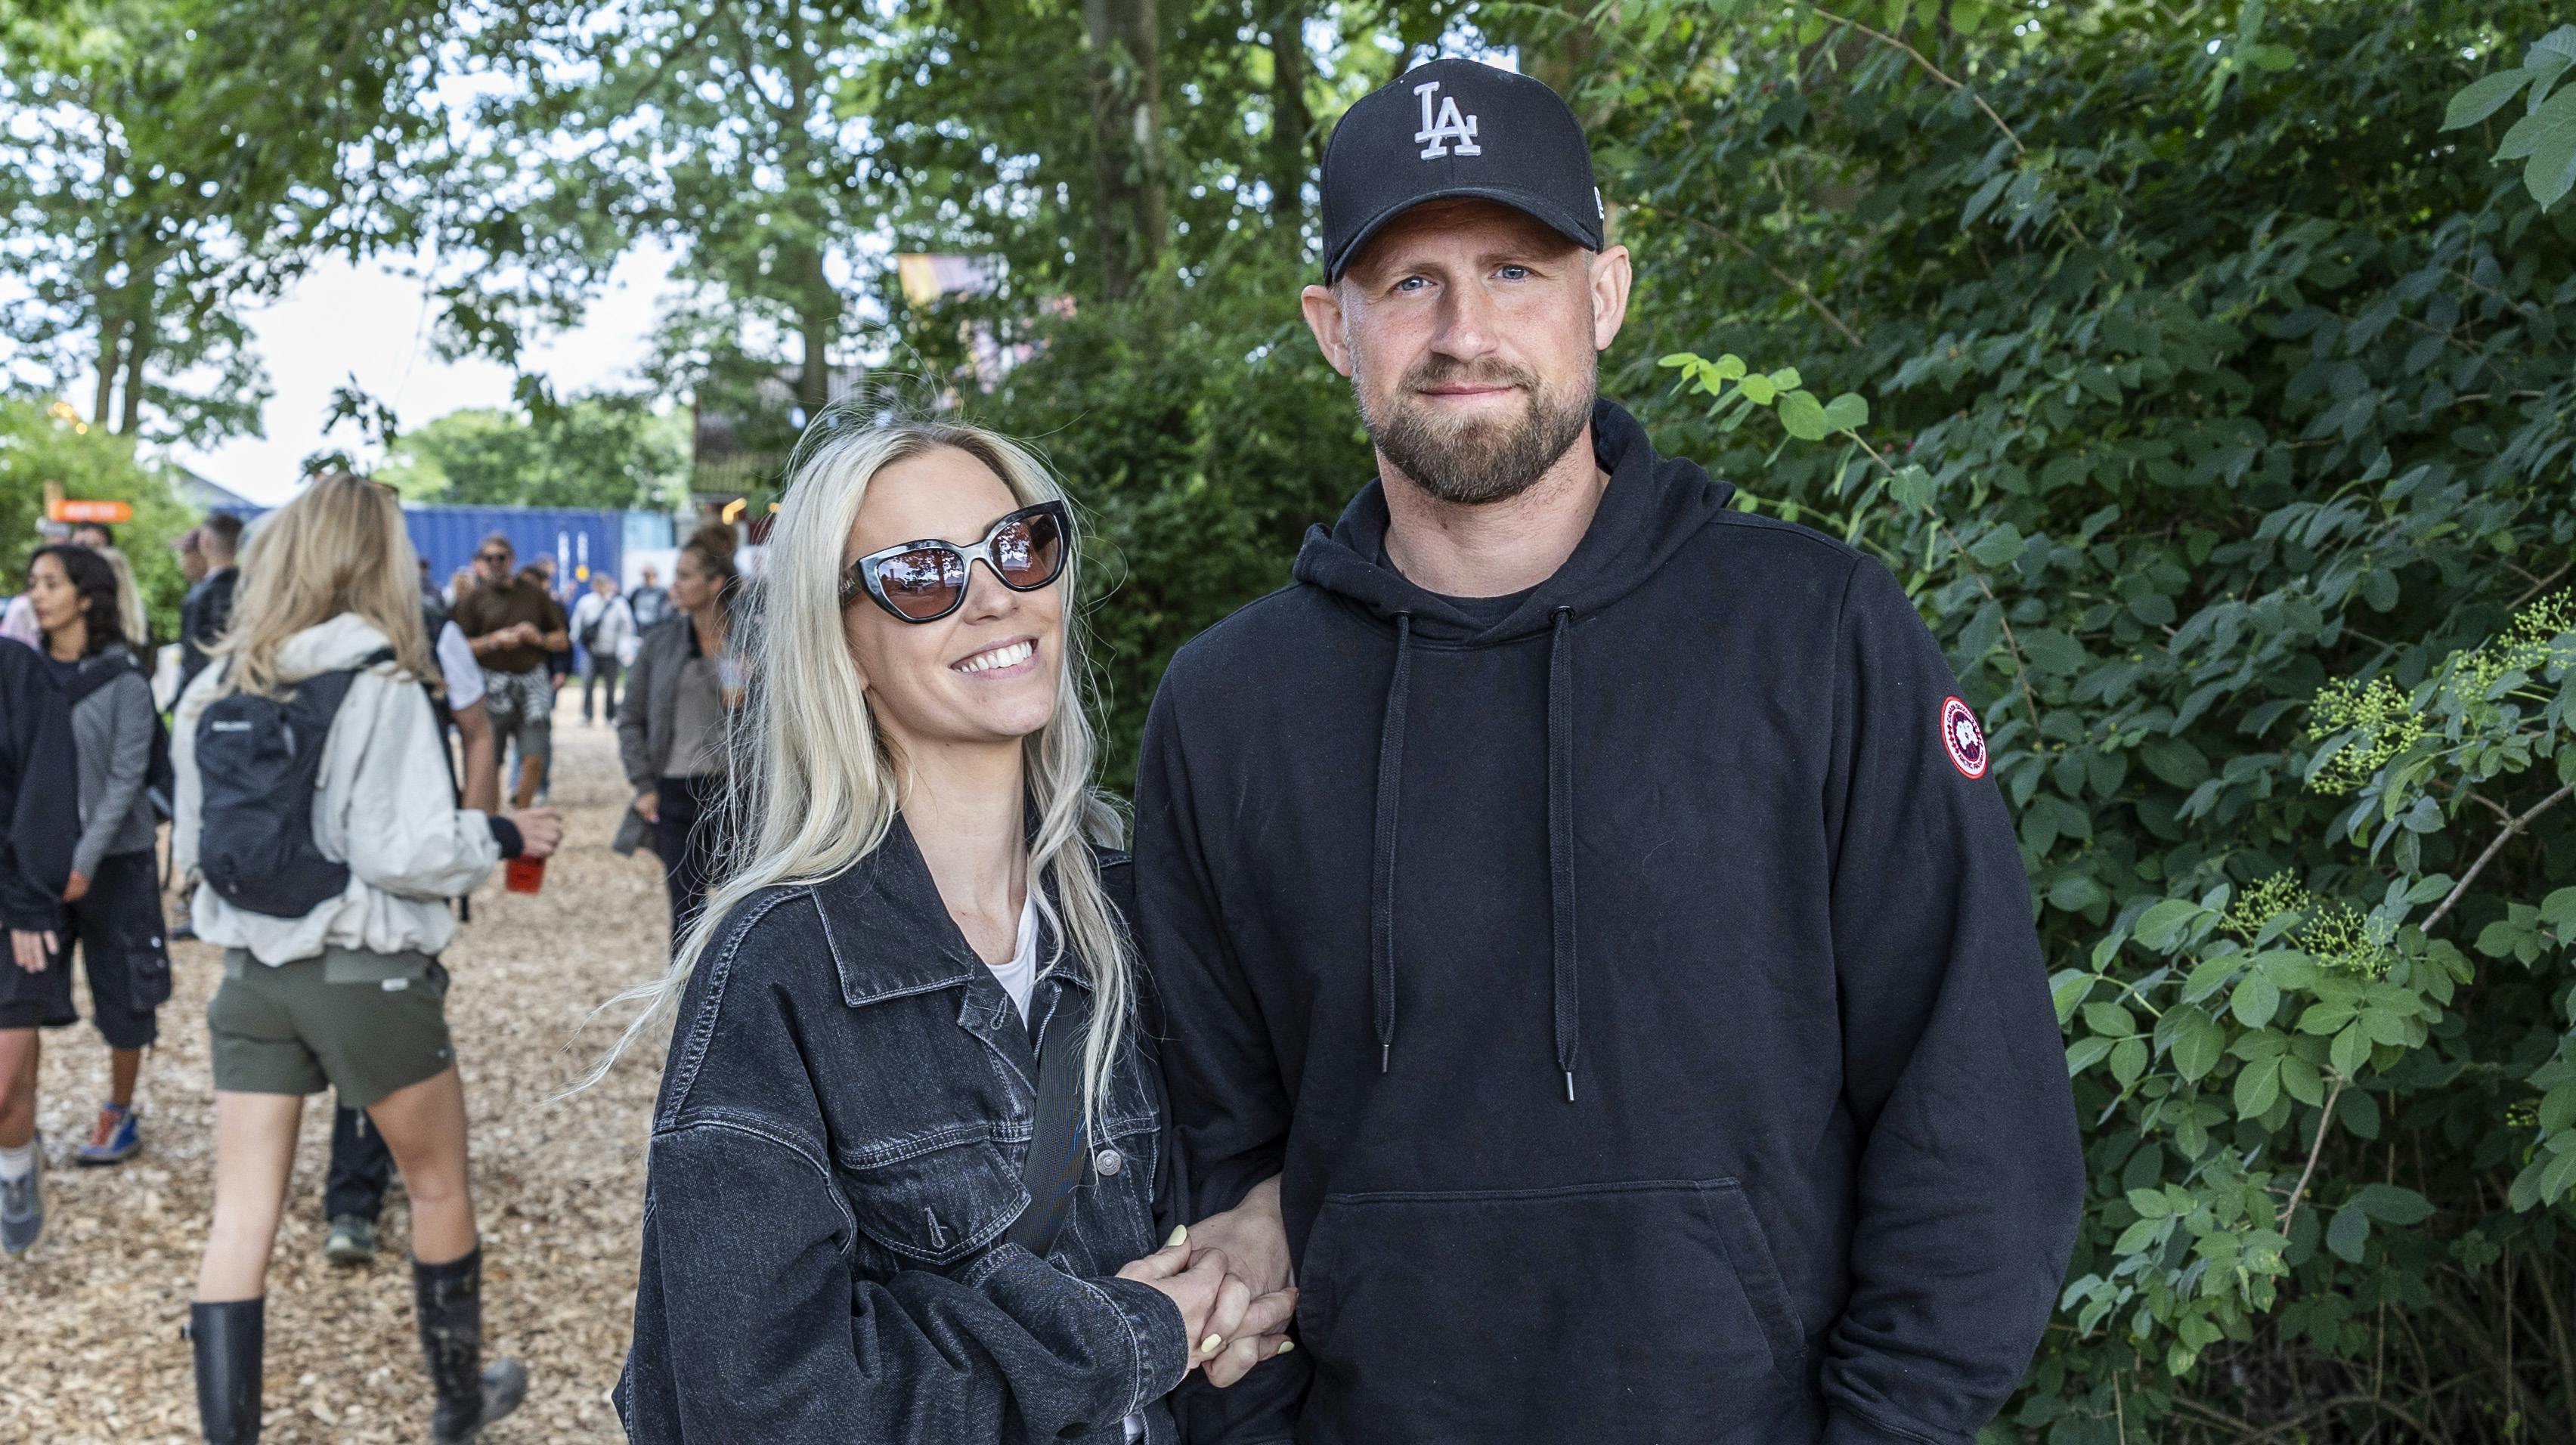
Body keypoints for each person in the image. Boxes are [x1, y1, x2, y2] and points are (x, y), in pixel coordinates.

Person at [1134, 59, 2087, 1444]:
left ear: (1607, 295)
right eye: (1407, 282)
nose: (1464, 328)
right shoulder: (1227, 706)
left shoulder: (1814, 632)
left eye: (1515, 269)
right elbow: (1212, 1149)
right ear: (1331, 328)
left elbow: (1974, 1109)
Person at [606, 416, 1295, 1441]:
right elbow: (759, 1408)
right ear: (841, 645)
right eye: (921, 574)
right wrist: (1126, 1338)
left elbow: (1276, 1170)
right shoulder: (783, 966)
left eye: (1020, 545)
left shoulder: (1147, 909)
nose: (994, 593)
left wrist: (1266, 1227)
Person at [171, 474, 562, 1443]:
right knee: (435, 1184)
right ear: (376, 559)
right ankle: (459, 1400)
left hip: (249, 978)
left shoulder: (212, 685)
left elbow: (187, 847)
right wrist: (506, 832)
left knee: (241, 1216)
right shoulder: (381, 683)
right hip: (365, 976)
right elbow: (405, 851)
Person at [319, 577, 503, 1270]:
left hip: (403, 863)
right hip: (318, 875)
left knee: (380, 1024)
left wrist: (476, 838)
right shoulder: (306, 633)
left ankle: (356, 1199)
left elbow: (478, 731)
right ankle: (360, 1193)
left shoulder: (432, 631)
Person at [0, 543, 173, 1254]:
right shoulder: (23, 673)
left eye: (51, 584)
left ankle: (119, 1109)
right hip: (35, 869)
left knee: (125, 988)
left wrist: (83, 859)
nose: (37, 596)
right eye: (32, 584)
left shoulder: (123, 677)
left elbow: (129, 776)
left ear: (87, 596)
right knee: (27, 991)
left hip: (115, 860)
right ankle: (23, 1127)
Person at [615, 528, 739, 952]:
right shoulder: (661, 644)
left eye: (686, 575)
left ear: (715, 583)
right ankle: (688, 1006)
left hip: (741, 794)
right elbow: (629, 718)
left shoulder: (750, 641)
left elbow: (782, 723)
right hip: (676, 791)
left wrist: (749, 696)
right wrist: (644, 786)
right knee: (687, 913)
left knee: (746, 910)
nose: (676, 585)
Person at [451, 534, 567, 809]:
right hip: (491, 687)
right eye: (488, 558)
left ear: (511, 560)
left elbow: (562, 638)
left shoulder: (534, 595)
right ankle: (490, 822)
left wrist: (537, 637)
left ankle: (521, 815)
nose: (495, 563)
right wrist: (494, 640)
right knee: (490, 761)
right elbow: (455, 647)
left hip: (532, 684)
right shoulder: (472, 600)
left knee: (534, 757)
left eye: (500, 557)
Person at [180, 512, 245, 698]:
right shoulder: (252, 589)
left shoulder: (200, 596)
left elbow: (194, 656)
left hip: (202, 693)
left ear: (205, 542)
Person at [571, 573, 636, 724]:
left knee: (611, 686)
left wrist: (624, 648)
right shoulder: (586, 602)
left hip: (611, 652)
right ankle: (587, 715)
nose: (600, 588)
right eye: (597, 585)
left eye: (602, 584)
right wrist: (574, 638)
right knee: (587, 683)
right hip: (591, 651)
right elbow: (577, 622)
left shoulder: (618, 604)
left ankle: (610, 716)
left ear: (607, 585)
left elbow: (627, 627)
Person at [627, 564, 672, 631]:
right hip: (639, 629)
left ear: (655, 576)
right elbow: (629, 608)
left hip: (656, 629)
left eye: (648, 575)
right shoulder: (637, 592)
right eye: (645, 576)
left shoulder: (663, 592)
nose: (646, 579)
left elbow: (666, 613)